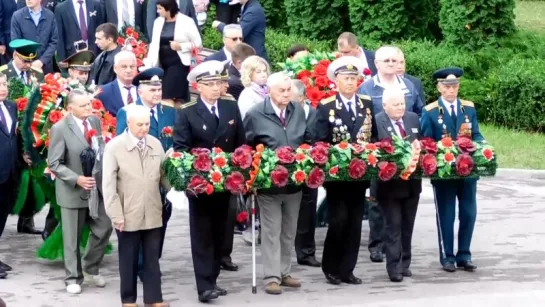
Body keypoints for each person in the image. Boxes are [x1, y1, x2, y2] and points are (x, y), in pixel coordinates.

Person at [173, 60, 246, 303]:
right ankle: (204, 285)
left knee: (220, 232)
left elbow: (240, 143)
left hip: (226, 183)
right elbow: (181, 149)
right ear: (198, 86)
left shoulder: (229, 107)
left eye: (221, 83)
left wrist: (243, 173)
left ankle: (213, 278)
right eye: (211, 84)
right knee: (202, 234)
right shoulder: (187, 111)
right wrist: (194, 175)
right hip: (201, 184)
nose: (217, 88)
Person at [243, 72, 311, 294]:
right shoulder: (255, 114)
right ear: (269, 91)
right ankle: (271, 276)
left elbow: (306, 139)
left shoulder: (297, 110)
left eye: (288, 89)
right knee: (272, 230)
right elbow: (246, 148)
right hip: (268, 184)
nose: (286, 94)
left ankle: (284, 271)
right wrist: (251, 178)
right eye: (281, 90)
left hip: (294, 182)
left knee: (289, 230)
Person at [358, 45, 424, 263]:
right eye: (386, 61)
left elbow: (417, 112)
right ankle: (376, 244)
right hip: (381, 152)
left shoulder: (409, 86)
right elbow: (364, 121)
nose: (391, 65)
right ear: (376, 64)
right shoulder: (367, 87)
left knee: (403, 205)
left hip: (407, 153)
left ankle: (396, 248)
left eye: (395, 61)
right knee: (378, 201)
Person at [314, 56, 377, 285]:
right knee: (338, 220)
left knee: (354, 222)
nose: (350, 82)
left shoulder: (366, 103)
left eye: (354, 78)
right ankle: (331, 267)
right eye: (346, 78)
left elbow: (374, 136)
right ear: (336, 81)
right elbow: (319, 141)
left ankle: (347, 269)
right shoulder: (327, 106)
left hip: (360, 176)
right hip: (337, 176)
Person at [103, 104, 170, 307]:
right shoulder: (114, 146)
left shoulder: (156, 143)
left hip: (152, 209)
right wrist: (116, 215)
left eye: (147, 124)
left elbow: (164, 175)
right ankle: (129, 299)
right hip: (127, 210)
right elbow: (108, 184)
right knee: (128, 258)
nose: (144, 128)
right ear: (129, 123)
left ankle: (154, 298)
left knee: (152, 257)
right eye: (139, 124)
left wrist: (178, 191)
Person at [47, 89, 113, 294]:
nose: (89, 107)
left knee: (105, 226)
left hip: (95, 188)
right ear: (70, 108)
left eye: (89, 103)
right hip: (73, 190)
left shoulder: (94, 122)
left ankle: (91, 266)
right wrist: (77, 179)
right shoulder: (60, 128)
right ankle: (72, 277)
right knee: (72, 238)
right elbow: (55, 164)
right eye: (84, 105)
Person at [420, 67, 483, 273]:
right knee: (446, 215)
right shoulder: (430, 111)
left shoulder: (468, 108)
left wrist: (483, 147)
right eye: (446, 86)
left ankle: (464, 254)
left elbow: (476, 135)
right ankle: (447, 256)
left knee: (468, 213)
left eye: (454, 86)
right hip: (445, 173)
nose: (451, 90)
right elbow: (427, 141)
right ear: (438, 87)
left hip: (467, 173)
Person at [116, 68, 176, 280]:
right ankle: (141, 267)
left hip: (163, 177)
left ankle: (152, 261)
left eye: (159, 89)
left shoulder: (169, 112)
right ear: (140, 91)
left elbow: (175, 140)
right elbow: (121, 146)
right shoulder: (128, 112)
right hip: (138, 178)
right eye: (152, 89)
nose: (157, 93)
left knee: (161, 221)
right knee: (138, 224)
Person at [375, 87, 422, 282]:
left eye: (402, 103)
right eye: (396, 104)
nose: (400, 107)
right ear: (385, 106)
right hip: (389, 185)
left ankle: (405, 262)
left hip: (412, 183)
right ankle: (393, 266)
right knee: (393, 225)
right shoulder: (378, 121)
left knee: (407, 225)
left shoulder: (412, 118)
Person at [0, 39, 44, 236]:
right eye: (24, 61)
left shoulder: (36, 75)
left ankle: (26, 220)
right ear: (15, 55)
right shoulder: (4, 72)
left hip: (27, 140)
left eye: (30, 62)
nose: (28, 65)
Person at [145, 0, 202, 105]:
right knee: (175, 98)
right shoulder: (158, 22)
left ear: (168, 8)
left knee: (166, 96)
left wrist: (181, 46)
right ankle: (177, 119)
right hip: (162, 65)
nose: (157, 11)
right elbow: (154, 44)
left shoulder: (186, 21)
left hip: (179, 64)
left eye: (160, 8)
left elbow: (198, 43)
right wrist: (149, 63)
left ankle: (170, 119)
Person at [290, 79, 320, 267]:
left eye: (291, 97)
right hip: (289, 169)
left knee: (308, 212)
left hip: (310, 170)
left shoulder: (316, 114)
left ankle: (306, 252)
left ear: (302, 98)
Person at [0, 72, 17, 279]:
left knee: (1, 217)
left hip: (9, 172)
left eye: (4, 83)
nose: (3, 88)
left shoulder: (11, 106)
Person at [11, 0, 58, 74]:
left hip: (46, 67)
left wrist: (42, 61)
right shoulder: (17, 16)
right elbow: (16, 42)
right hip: (25, 67)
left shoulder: (50, 15)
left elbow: (54, 42)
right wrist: (28, 62)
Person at [96, 50, 138, 116]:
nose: (128, 70)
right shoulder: (104, 92)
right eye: (124, 67)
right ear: (115, 68)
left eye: (132, 66)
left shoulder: (144, 89)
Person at [237, 55, 269, 119]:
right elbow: (250, 120)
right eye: (258, 72)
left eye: (265, 71)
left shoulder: (269, 89)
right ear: (249, 74)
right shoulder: (247, 95)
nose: (264, 75)